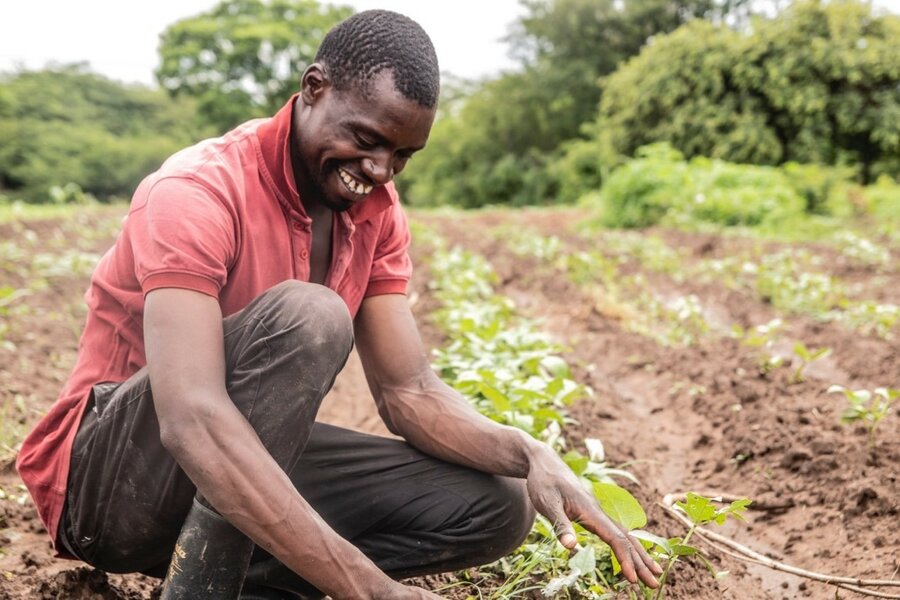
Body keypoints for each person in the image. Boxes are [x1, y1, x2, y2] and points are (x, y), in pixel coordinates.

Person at [16, 9, 661, 599]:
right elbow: (190, 419)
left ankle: (256, 586)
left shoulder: (375, 212)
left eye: (402, 155)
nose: (380, 170)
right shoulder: (198, 191)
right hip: (108, 482)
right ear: (314, 86)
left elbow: (409, 392)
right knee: (312, 315)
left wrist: (530, 452)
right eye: (368, 139)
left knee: (497, 502)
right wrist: (371, 588)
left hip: (226, 469)